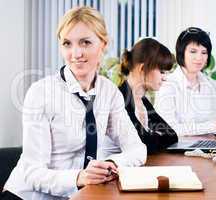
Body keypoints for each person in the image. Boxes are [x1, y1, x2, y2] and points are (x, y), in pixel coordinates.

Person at [2, 6, 146, 200]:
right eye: (67, 44)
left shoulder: (109, 92)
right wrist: (79, 177)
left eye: (85, 42)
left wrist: (111, 163)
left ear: (104, 44)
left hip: (78, 196)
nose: (76, 53)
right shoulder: (41, 93)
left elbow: (137, 149)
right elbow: (32, 172)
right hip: (28, 196)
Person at [155, 27, 216, 136]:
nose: (199, 57)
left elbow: (210, 122)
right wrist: (213, 126)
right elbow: (169, 130)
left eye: (204, 52)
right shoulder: (167, 85)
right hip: (176, 150)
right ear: (181, 53)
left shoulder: (206, 83)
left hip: (202, 145)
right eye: (193, 51)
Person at [118, 38, 178, 154]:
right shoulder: (119, 98)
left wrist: (151, 138)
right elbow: (145, 144)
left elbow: (171, 135)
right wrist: (153, 138)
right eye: (161, 72)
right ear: (142, 68)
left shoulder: (142, 101)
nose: (164, 78)